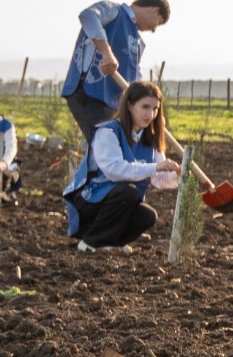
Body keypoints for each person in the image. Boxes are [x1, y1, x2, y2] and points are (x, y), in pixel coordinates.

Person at [63, 81, 180, 249]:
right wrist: (154, 167)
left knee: (148, 216)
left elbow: (159, 179)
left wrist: (177, 173)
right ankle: (90, 242)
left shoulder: (149, 140)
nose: (150, 114)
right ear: (130, 105)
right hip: (90, 200)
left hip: (120, 203)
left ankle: (111, 243)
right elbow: (114, 171)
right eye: (145, 107)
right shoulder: (108, 132)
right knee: (128, 191)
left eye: (155, 109)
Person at [60, 0, 170, 142]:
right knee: (105, 146)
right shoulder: (113, 11)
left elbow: (135, 82)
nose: (153, 29)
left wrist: (152, 110)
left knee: (113, 147)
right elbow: (88, 16)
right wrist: (106, 52)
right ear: (154, 10)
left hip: (111, 103)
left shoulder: (138, 43)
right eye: (158, 22)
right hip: (89, 93)